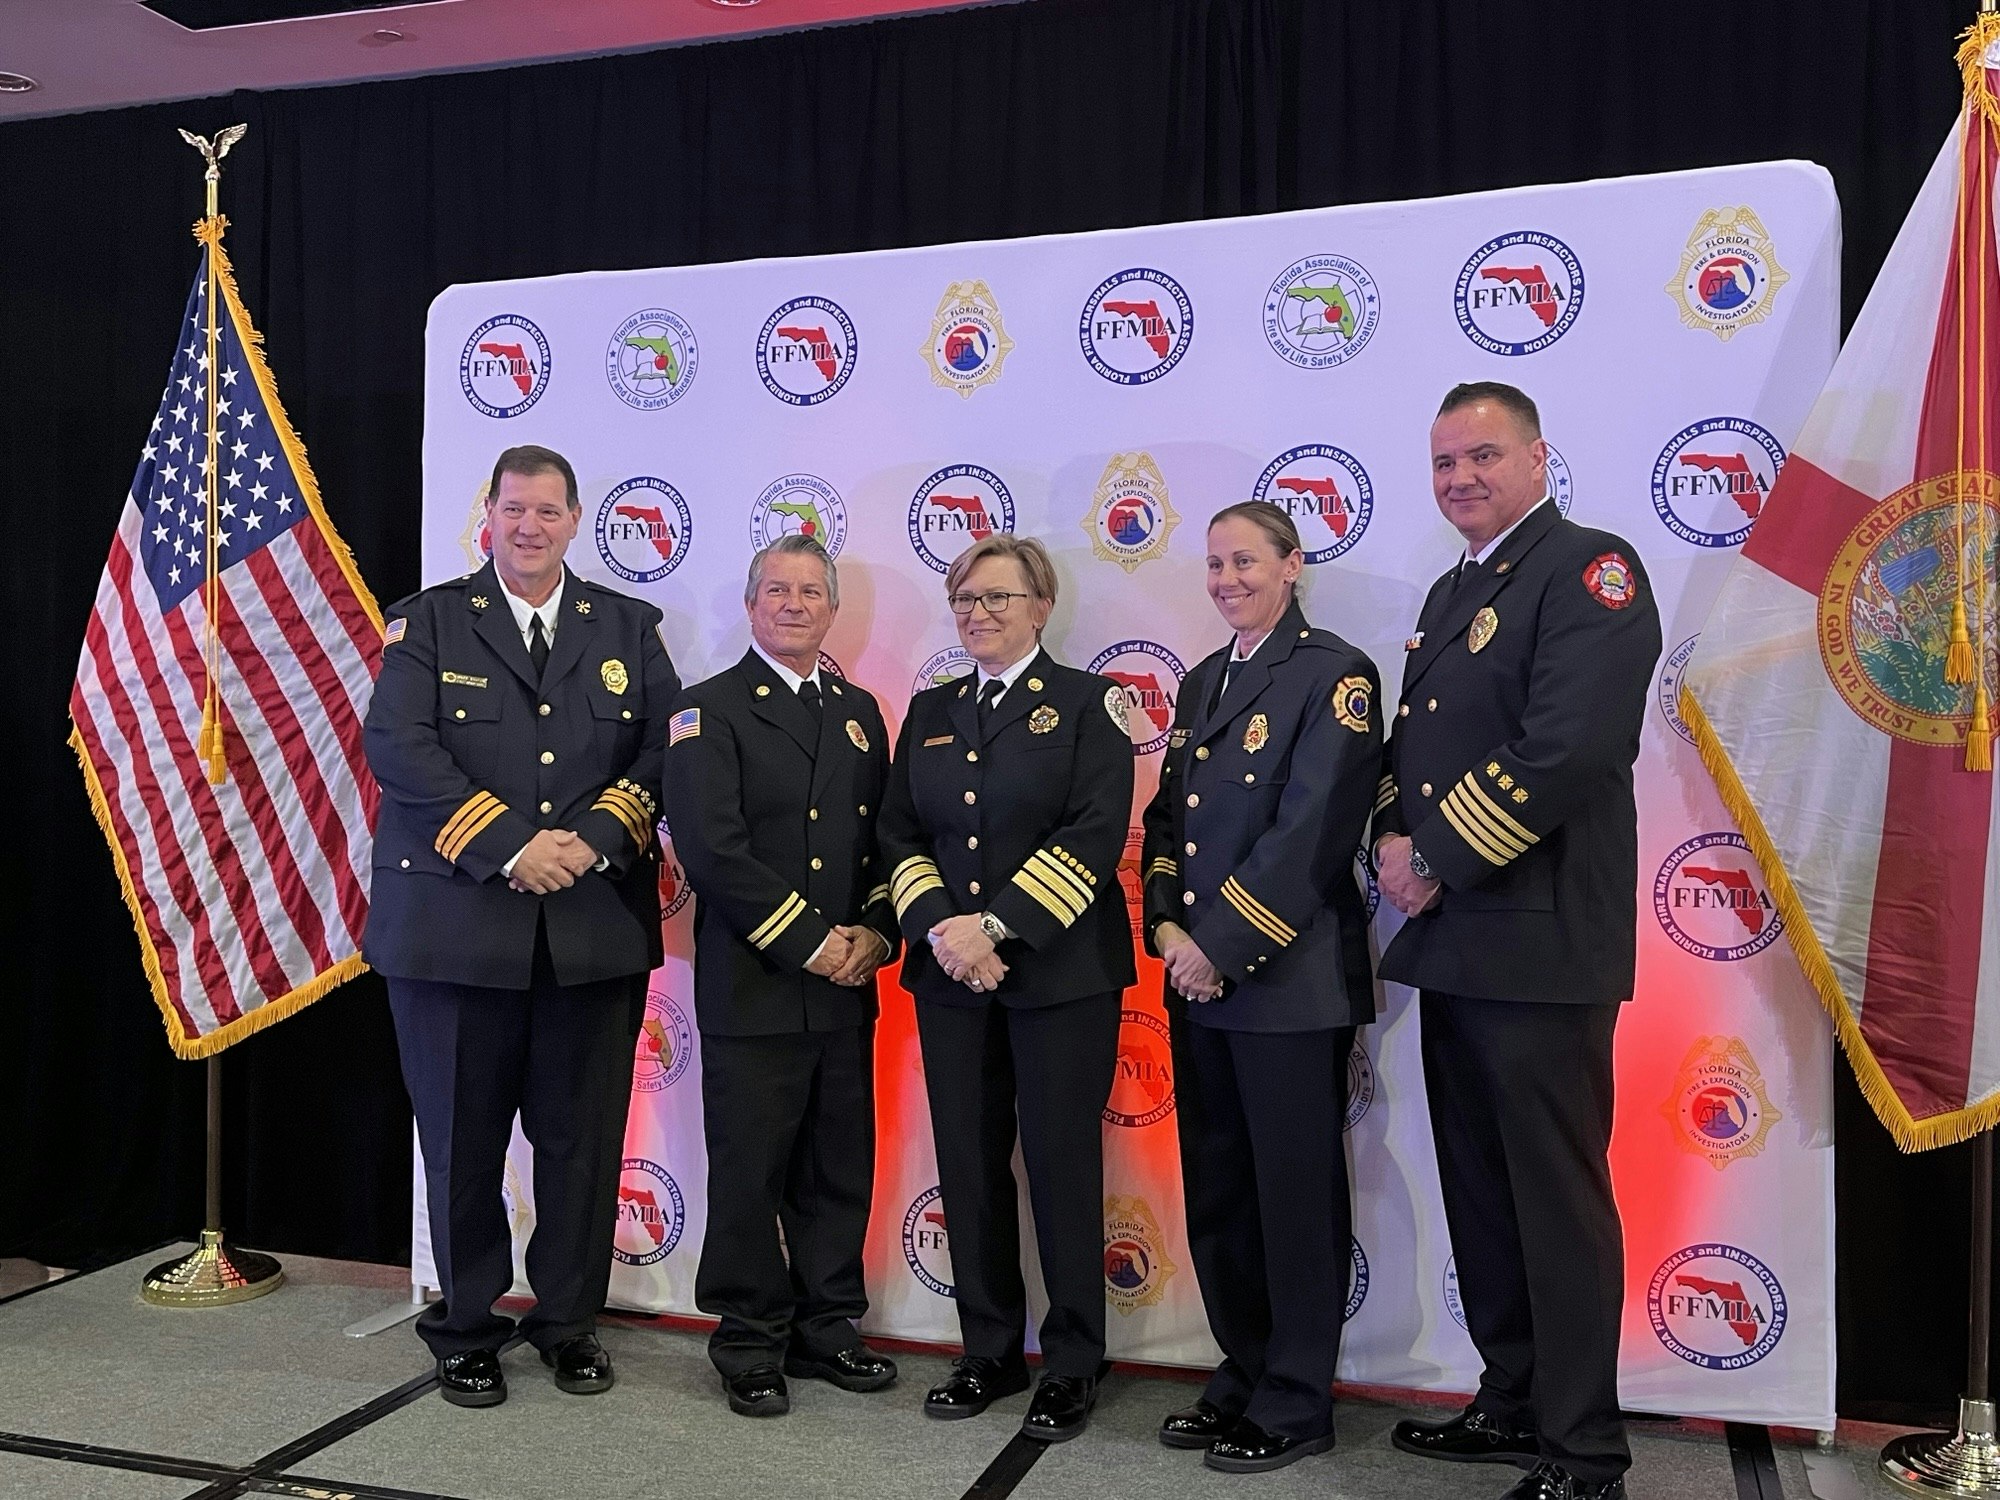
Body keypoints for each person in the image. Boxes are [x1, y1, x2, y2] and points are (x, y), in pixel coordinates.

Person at [1374, 383, 1660, 1500]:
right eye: (1443, 461)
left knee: (1552, 1197)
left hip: (1539, 943)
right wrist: (1395, 837)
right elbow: (1413, 748)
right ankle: (1511, 1397)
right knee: (1482, 1191)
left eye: (1481, 456)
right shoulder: (1453, 589)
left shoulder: (1590, 568)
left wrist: (1431, 855)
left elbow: (1569, 745)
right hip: (1455, 942)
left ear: (1538, 456)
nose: (1459, 478)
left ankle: (1583, 1449)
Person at [364, 444, 679, 1408]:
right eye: (513, 510)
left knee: (582, 1142)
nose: (529, 527)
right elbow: (398, 744)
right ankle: (464, 1326)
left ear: (575, 521)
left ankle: (568, 1322)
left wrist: (586, 842)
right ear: (488, 517)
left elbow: (669, 748)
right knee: (460, 1140)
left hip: (589, 930)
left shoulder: (627, 627)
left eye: (548, 511)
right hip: (456, 931)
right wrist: (508, 845)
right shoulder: (427, 624)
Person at [1140, 502, 1382, 1474]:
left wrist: (1218, 945)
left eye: (1245, 560)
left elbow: (1314, 830)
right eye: (1213, 563)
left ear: (1291, 564)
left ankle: (1294, 1398)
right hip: (1193, 978)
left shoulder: (1334, 674)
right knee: (1220, 1190)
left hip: (1282, 983)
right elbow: (1166, 820)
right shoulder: (1202, 680)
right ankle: (1241, 1369)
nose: (1226, 578)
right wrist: (1163, 925)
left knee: (1291, 1197)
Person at [878, 534, 1135, 1443]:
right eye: (963, 600)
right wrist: (947, 933)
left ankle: (1072, 1360)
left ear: (1040, 606)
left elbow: (1098, 832)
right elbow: (899, 834)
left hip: (1060, 976)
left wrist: (994, 929)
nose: (977, 614)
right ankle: (988, 1347)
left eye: (995, 597)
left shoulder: (1089, 703)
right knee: (972, 1168)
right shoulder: (934, 707)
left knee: (1063, 1168)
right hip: (951, 979)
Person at [663, 535, 900, 1418]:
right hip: (757, 983)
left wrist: (875, 934)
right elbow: (712, 849)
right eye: (776, 590)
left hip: (846, 986)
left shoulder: (861, 711)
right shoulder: (706, 710)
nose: (794, 604)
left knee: (837, 1167)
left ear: (831, 608)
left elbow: (886, 841)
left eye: (809, 591)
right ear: (751, 604)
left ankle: (829, 1324)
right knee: (751, 1170)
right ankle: (750, 1337)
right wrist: (812, 941)